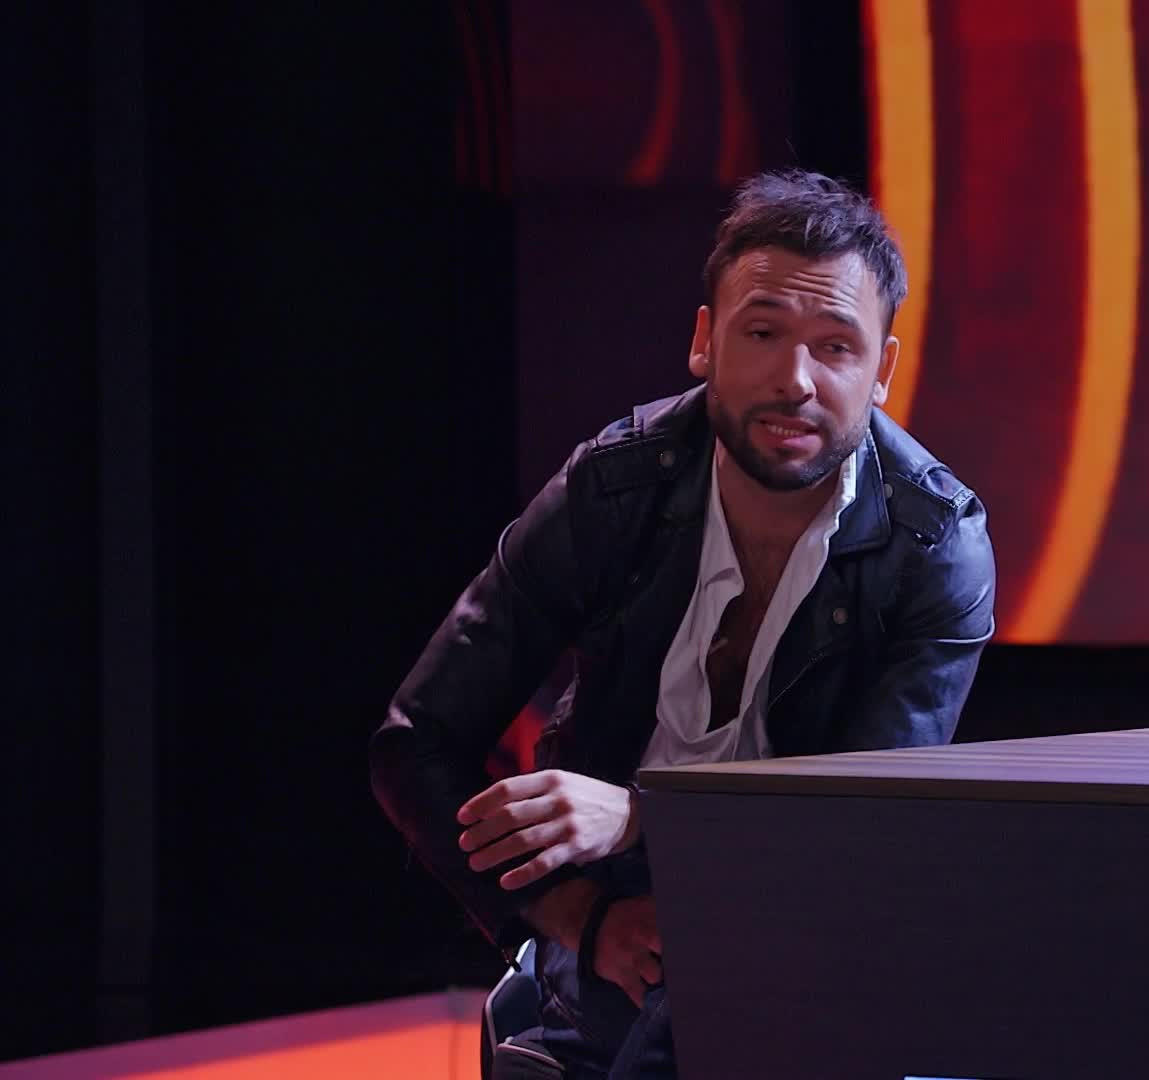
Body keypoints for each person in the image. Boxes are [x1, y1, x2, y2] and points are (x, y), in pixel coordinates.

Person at [369, 170, 997, 1078]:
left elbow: (862, 827)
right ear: (705, 341)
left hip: (810, 918)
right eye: (762, 333)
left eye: (835, 346)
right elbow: (416, 743)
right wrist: (579, 919)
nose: (795, 380)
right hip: (615, 915)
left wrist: (641, 816)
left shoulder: (935, 542)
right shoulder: (614, 489)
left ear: (883, 371)